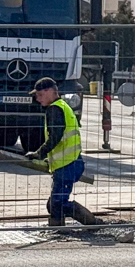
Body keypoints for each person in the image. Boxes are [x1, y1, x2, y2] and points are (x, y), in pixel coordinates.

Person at [26, 77, 96, 227]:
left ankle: (90, 221)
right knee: (54, 205)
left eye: (39, 95)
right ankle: (57, 226)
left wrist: (39, 153)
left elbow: (55, 137)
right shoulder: (62, 105)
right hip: (70, 163)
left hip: (67, 165)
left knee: (58, 203)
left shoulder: (55, 109)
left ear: (50, 91)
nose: (38, 99)